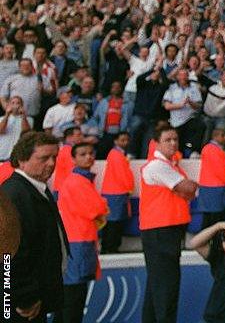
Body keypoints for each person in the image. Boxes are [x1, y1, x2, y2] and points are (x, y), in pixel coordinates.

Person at [2, 132, 68, 323]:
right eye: (43, 158)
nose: (51, 163)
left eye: (54, 157)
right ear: (22, 160)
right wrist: (24, 297)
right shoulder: (15, 194)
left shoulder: (35, 188)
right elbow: (8, 254)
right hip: (21, 306)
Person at [140, 126, 198, 323]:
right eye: (168, 140)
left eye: (175, 139)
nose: (173, 143)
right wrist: (184, 188)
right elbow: (189, 187)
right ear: (156, 143)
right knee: (166, 290)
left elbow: (190, 191)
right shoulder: (158, 166)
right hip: (160, 232)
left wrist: (185, 188)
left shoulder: (170, 165)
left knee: (156, 289)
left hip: (165, 231)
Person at [57, 142, 108, 323]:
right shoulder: (77, 181)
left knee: (72, 299)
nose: (88, 157)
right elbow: (98, 208)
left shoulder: (81, 180)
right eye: (82, 154)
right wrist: (102, 206)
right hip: (78, 243)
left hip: (80, 241)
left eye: (90, 153)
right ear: (73, 159)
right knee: (74, 299)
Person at [100, 130, 133, 253]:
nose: (125, 142)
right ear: (116, 141)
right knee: (114, 222)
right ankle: (110, 247)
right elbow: (122, 175)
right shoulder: (117, 155)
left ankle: (109, 246)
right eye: (122, 140)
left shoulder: (116, 154)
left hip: (115, 191)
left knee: (112, 222)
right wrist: (129, 188)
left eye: (126, 140)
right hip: (116, 192)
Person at [198, 127, 225, 229]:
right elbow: (221, 170)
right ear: (215, 136)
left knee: (207, 220)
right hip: (216, 190)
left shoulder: (207, 149)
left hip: (206, 189)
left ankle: (204, 242)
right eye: (223, 135)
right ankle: (215, 243)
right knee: (217, 221)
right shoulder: (215, 150)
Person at [162, 68, 204, 156]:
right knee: (178, 142)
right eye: (181, 75)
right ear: (177, 76)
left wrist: (191, 103)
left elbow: (199, 105)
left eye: (185, 75)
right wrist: (181, 105)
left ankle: (195, 152)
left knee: (200, 125)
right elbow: (167, 106)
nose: (183, 77)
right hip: (176, 122)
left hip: (189, 118)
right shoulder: (171, 88)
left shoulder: (194, 87)